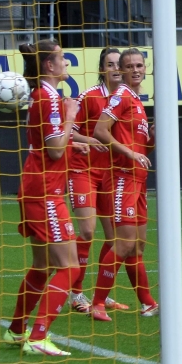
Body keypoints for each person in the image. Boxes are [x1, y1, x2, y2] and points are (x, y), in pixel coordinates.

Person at [3, 39, 81, 356]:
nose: (66, 63)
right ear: (49, 65)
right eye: (62, 58)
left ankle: (16, 330)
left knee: (42, 265)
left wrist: (78, 141)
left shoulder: (42, 95)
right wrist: (72, 115)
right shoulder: (49, 99)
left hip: (38, 186)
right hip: (46, 192)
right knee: (70, 266)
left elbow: (50, 145)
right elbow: (54, 149)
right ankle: (38, 337)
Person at [91, 48, 159, 320]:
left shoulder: (138, 101)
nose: (135, 69)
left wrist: (151, 139)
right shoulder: (121, 95)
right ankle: (97, 303)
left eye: (139, 65)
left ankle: (147, 303)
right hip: (121, 177)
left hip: (138, 180)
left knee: (137, 246)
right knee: (123, 242)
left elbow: (143, 149)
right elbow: (99, 129)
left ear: (145, 68)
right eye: (129, 66)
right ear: (121, 70)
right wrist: (129, 153)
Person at [67, 48, 129, 317]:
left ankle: (101, 295)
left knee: (115, 237)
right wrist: (89, 141)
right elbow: (68, 131)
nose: (116, 68)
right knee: (88, 231)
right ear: (103, 68)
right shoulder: (89, 96)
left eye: (119, 64)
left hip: (111, 174)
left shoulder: (128, 98)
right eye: (111, 64)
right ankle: (76, 292)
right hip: (83, 170)